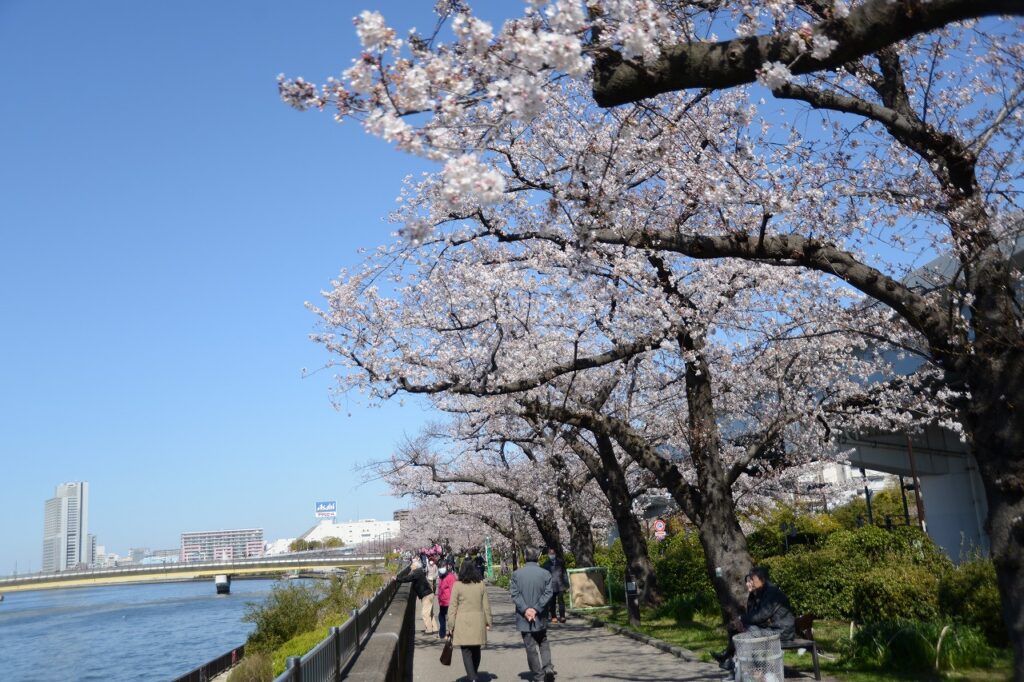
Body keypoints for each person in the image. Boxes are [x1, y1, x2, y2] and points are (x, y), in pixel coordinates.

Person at [714, 566, 795, 672]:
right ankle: (731, 659)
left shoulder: (772, 593)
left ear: (763, 580)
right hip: (772, 629)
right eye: (749, 579)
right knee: (739, 628)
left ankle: (742, 665)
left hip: (782, 632)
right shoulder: (761, 592)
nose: (750, 582)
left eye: (753, 579)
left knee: (749, 631)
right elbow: (753, 614)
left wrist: (741, 619)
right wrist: (740, 621)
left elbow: (760, 616)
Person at [510, 546, 556, 682]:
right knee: (543, 641)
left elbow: (514, 594)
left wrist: (526, 609)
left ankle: (538, 674)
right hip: (540, 615)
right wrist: (536, 609)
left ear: (525, 557)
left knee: (530, 646)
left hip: (524, 617)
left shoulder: (517, 574)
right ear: (538, 557)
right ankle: (547, 666)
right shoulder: (545, 573)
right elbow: (548, 593)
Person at [448, 559, 492, 682]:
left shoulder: (457, 585)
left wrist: (450, 625)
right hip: (478, 621)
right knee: (476, 649)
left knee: (466, 651)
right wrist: (488, 622)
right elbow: (486, 605)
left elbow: (452, 607)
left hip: (463, 622)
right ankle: (474, 674)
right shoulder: (481, 584)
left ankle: (472, 677)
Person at [397, 558, 438, 634]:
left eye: (412, 565)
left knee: (425, 613)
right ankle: (434, 628)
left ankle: (429, 630)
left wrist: (397, 579)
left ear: (415, 566)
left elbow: (408, 578)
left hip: (426, 595)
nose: (411, 566)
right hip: (429, 594)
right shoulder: (419, 572)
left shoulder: (416, 573)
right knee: (430, 613)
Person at [544, 548, 567, 623]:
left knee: (561, 601)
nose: (552, 555)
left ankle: (562, 616)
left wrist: (566, 584)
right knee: (552, 602)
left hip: (560, 584)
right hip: (551, 585)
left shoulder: (560, 562)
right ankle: (554, 616)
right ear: (548, 555)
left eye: (553, 553)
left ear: (555, 554)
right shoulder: (546, 564)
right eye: (550, 554)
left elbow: (564, 573)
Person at [436, 561, 457, 639]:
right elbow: (440, 589)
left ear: (447, 566)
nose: (441, 568)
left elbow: (453, 590)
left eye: (443, 566)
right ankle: (443, 633)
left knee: (450, 618)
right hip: (442, 602)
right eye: (440, 566)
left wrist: (454, 601)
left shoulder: (451, 577)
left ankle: (451, 633)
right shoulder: (441, 576)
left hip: (449, 601)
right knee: (441, 617)